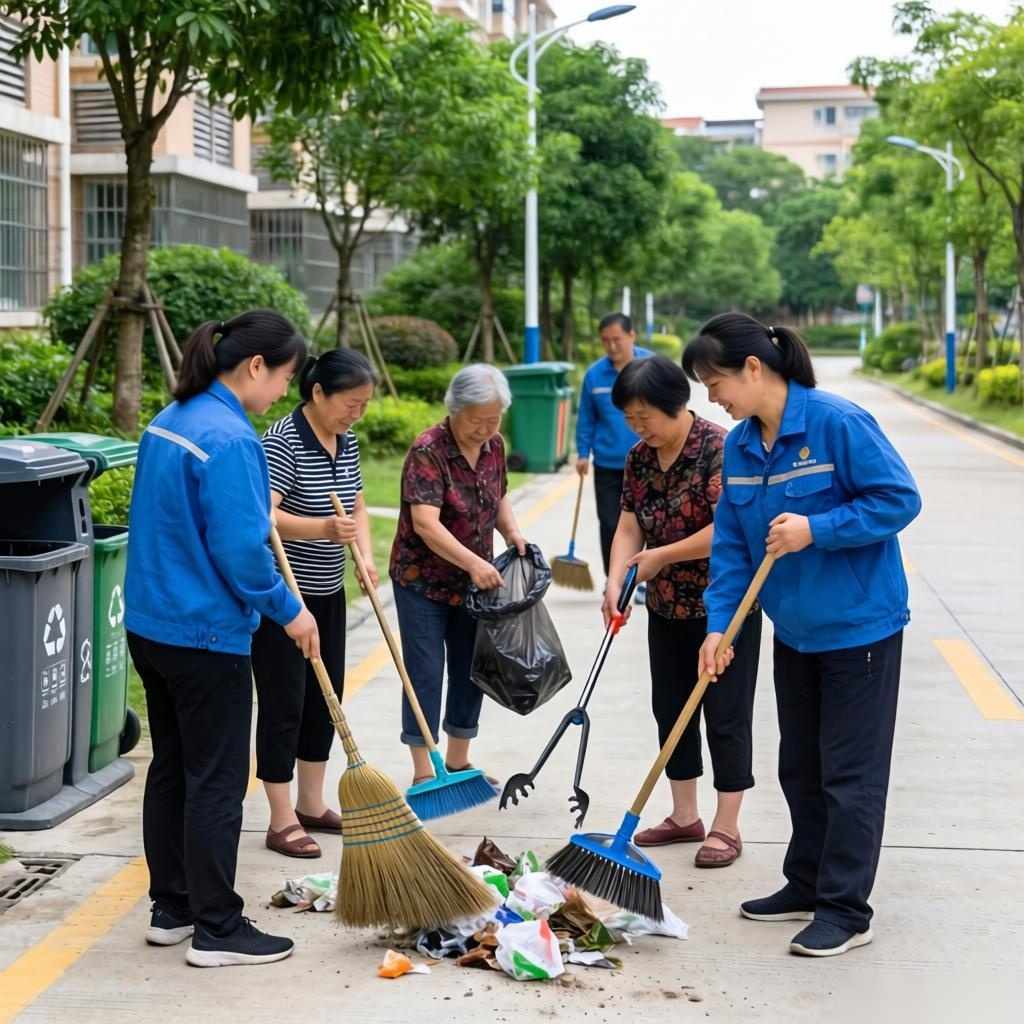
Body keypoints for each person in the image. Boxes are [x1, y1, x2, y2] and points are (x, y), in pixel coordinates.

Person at [683, 312, 921, 957]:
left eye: (715, 382)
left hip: (859, 628)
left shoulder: (835, 423)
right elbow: (732, 545)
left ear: (753, 369)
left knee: (851, 774)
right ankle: (807, 883)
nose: (713, 398)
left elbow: (898, 499)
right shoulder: (739, 446)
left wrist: (816, 530)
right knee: (802, 768)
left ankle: (847, 910)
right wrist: (719, 626)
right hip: (796, 632)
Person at [125, 310, 318, 968]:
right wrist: (291, 612)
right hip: (205, 635)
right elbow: (242, 551)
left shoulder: (168, 420)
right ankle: (217, 927)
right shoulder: (231, 438)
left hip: (151, 628)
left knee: (173, 767)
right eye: (284, 379)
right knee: (217, 779)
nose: (281, 396)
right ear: (256, 366)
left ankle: (171, 908)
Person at [602, 356, 762, 867]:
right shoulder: (639, 458)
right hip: (666, 605)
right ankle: (684, 814)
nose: (639, 427)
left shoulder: (720, 449)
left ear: (678, 406)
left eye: (645, 416)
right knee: (670, 710)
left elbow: (728, 533)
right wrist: (615, 579)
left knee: (725, 714)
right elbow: (629, 523)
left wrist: (662, 556)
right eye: (630, 418)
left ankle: (727, 825)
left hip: (725, 607)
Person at [251, 349, 377, 858]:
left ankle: (311, 803)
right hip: (284, 595)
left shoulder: (345, 442)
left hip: (328, 591)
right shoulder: (282, 442)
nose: (357, 414)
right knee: (284, 702)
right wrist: (321, 528)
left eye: (365, 405)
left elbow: (359, 504)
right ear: (318, 392)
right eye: (350, 403)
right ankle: (280, 820)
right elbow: (265, 516)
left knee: (325, 699)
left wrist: (364, 557)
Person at [389, 364, 528, 786]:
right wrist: (473, 562)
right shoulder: (428, 451)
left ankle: (458, 761)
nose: (485, 429)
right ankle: (423, 770)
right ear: (454, 410)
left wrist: (513, 533)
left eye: (494, 419)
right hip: (422, 580)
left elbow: (498, 495)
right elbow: (427, 525)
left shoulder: (495, 445)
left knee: (472, 668)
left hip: (474, 581)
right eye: (477, 420)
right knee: (426, 670)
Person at [575, 313, 653, 578]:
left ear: (632, 335)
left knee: (651, 522)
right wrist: (583, 452)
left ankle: (644, 577)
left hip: (650, 463)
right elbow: (586, 416)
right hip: (609, 463)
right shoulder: (594, 375)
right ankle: (616, 578)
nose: (611, 346)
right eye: (605, 341)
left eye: (617, 339)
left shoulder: (653, 367)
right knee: (610, 523)